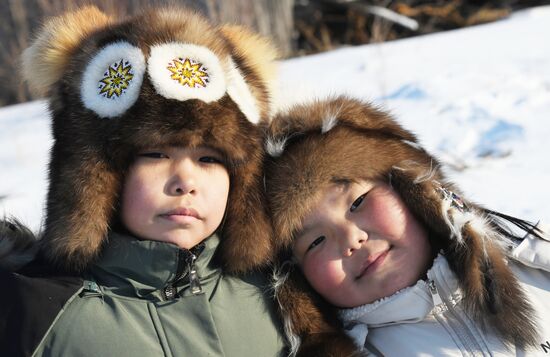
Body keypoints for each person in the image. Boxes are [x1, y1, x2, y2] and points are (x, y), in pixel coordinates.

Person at [0, 6, 286, 356]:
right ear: (94, 179)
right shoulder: (36, 314)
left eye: (209, 159)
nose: (185, 182)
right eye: (156, 155)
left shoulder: (277, 293)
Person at [263, 96, 550, 356]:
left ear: (412, 191)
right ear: (297, 278)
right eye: (315, 242)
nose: (351, 239)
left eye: (358, 202)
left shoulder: (534, 260)